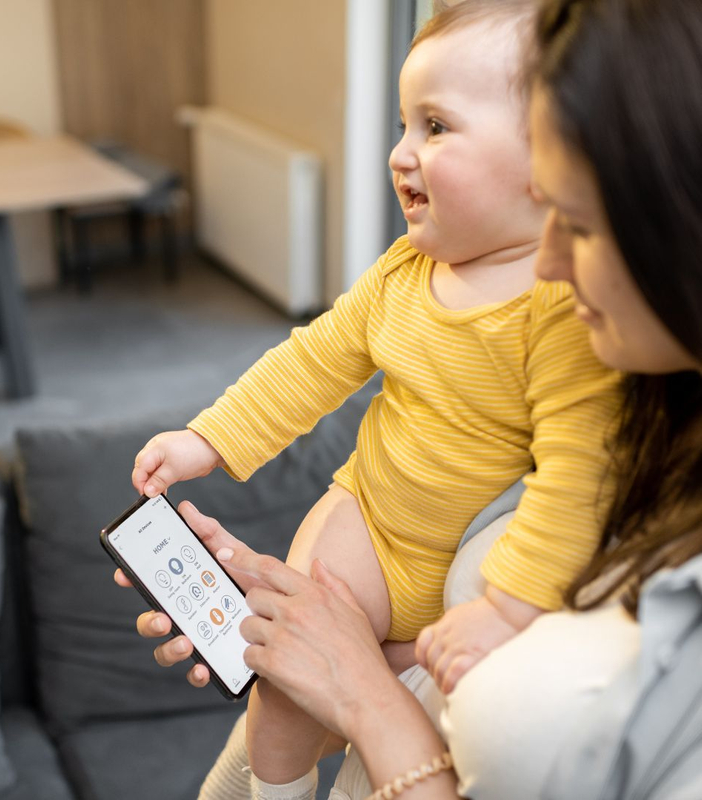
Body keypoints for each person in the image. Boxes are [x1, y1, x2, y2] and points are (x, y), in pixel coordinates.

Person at [125, 0, 702, 796]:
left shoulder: (563, 321)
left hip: (456, 580)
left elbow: (577, 475)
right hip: (368, 521)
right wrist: (209, 439)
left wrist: (501, 611)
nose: (400, 155)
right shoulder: (404, 272)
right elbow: (312, 361)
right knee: (279, 689)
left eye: (435, 126)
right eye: (403, 126)